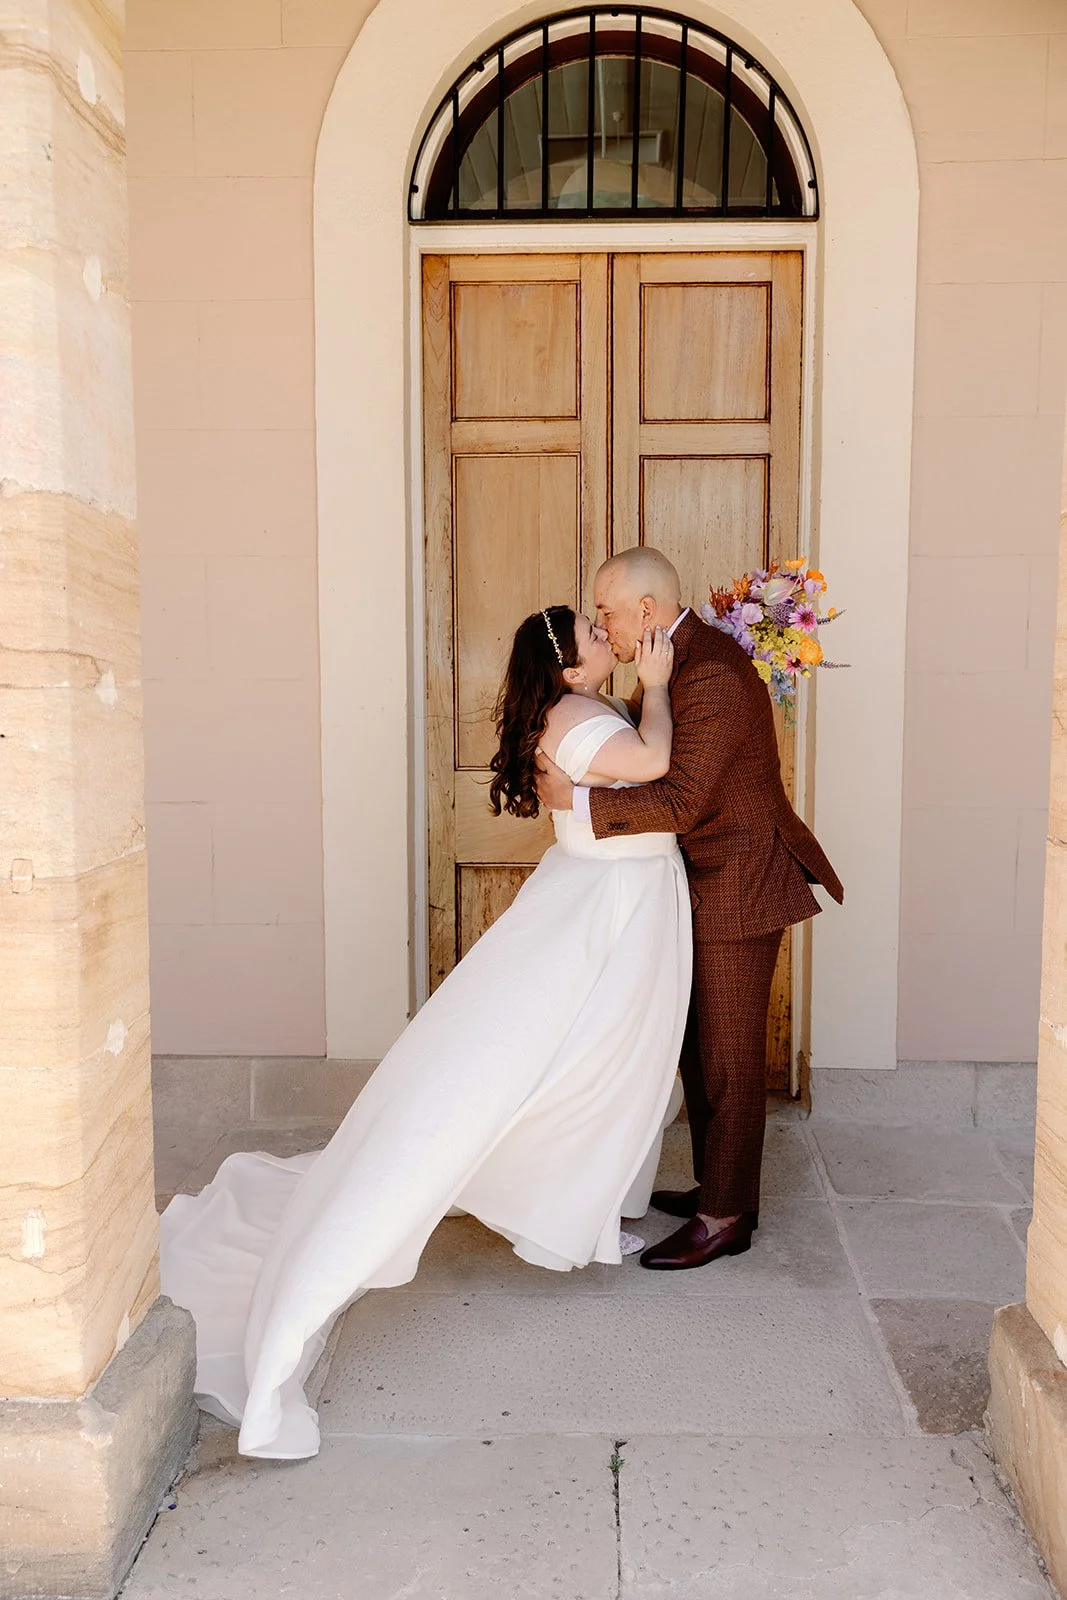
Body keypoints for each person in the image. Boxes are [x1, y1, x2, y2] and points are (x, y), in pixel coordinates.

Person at [160, 606, 692, 1460]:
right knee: (577, 1063)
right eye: (592, 635)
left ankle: (575, 1203)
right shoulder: (588, 718)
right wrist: (659, 689)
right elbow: (658, 763)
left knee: (593, 1064)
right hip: (605, 913)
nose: (605, 632)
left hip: (607, 902)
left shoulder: (577, 711)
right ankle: (558, 1203)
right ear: (568, 671)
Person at [536, 548, 844, 1272]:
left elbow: (678, 800)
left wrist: (573, 800)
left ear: (646, 611)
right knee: (698, 1050)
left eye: (605, 610)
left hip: (738, 881)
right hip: (697, 880)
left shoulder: (706, 672)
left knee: (730, 1060)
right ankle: (719, 1185)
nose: (601, 623)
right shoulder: (671, 663)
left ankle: (725, 1216)